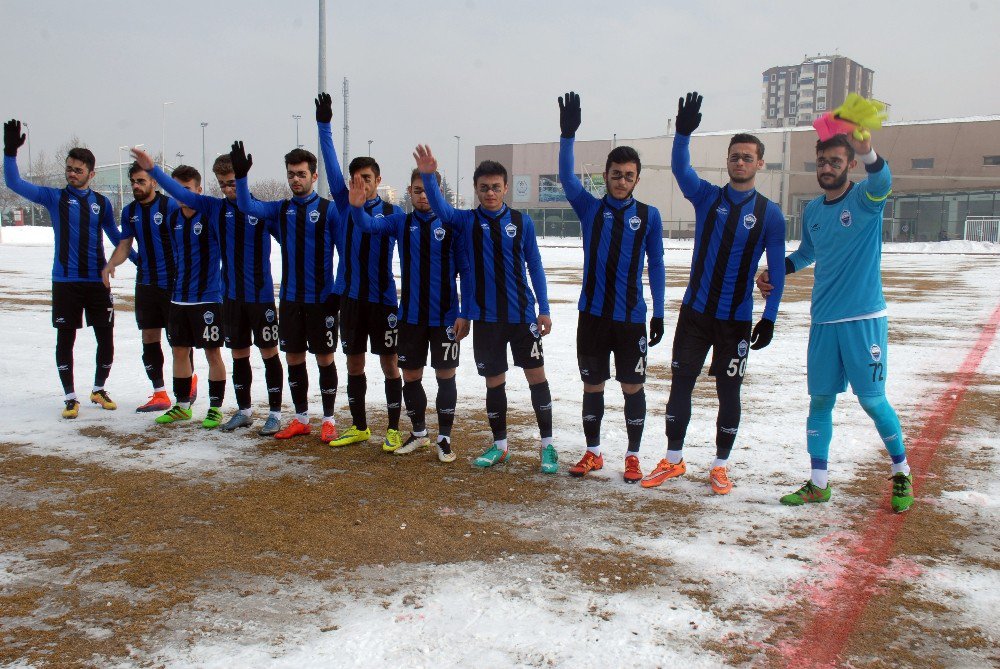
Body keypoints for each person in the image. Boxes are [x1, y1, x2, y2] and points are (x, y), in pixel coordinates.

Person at [757, 132, 913, 512]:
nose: (827, 169)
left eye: (836, 162)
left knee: (873, 401)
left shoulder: (865, 199)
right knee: (820, 401)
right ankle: (819, 483)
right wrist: (776, 270)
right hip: (824, 321)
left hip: (863, 319)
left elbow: (884, 180)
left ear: (850, 165)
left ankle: (902, 473)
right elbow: (808, 253)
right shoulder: (812, 211)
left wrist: (866, 146)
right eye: (822, 163)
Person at [641, 92, 787, 495]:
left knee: (729, 393)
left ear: (760, 163)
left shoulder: (771, 215)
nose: (740, 162)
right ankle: (673, 460)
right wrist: (682, 133)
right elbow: (679, 167)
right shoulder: (708, 197)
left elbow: (776, 273)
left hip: (735, 321)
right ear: (727, 161)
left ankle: (720, 466)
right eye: (734, 156)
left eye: (747, 157)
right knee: (680, 387)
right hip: (695, 316)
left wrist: (769, 317)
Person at [413, 144, 557, 473]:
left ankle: (548, 446)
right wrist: (428, 176)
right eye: (483, 187)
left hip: (522, 315)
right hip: (487, 320)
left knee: (537, 378)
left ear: (505, 188)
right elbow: (439, 207)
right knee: (494, 382)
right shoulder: (464, 222)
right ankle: (500, 445)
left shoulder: (522, 222)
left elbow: (535, 266)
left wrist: (544, 308)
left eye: (495, 187)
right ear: (476, 190)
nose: (490, 192)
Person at [127, 149, 285, 436]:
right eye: (223, 183)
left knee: (269, 353)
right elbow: (181, 193)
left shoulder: (262, 210)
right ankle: (245, 410)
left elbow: (290, 240)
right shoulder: (214, 209)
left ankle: (274, 413)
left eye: (233, 182)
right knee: (239, 354)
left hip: (261, 296)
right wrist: (153, 171)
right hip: (232, 297)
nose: (227, 189)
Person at [556, 91, 666, 483]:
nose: (622, 181)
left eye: (629, 176)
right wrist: (568, 135)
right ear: (606, 175)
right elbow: (567, 178)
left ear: (637, 178)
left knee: (633, 386)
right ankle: (594, 452)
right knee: (593, 385)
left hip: (630, 319)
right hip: (593, 316)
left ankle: (633, 456)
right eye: (615, 174)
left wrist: (659, 313)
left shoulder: (649, 217)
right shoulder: (590, 209)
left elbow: (657, 264)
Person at [3, 119, 127, 418]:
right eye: (69, 168)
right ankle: (70, 397)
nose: (72, 174)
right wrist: (9, 153)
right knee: (65, 339)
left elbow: (117, 238)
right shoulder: (54, 197)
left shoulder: (102, 203)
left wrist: (140, 260)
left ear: (91, 174)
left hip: (97, 282)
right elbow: (14, 184)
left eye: (78, 170)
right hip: (65, 281)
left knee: (105, 337)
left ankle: (99, 388)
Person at [346, 168, 469, 462]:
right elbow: (366, 225)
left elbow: (466, 271)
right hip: (410, 318)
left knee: (445, 377)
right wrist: (356, 205)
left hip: (445, 318)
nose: (423, 195)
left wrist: (465, 312)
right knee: (411, 377)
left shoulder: (452, 225)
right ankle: (418, 433)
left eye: (428, 190)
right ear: (410, 192)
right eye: (417, 190)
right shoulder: (401, 222)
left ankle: (445, 439)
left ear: (438, 192)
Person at [230, 140, 343, 443]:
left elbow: (345, 254)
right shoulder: (281, 210)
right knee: (294, 359)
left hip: (321, 300)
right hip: (291, 300)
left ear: (313, 177)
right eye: (291, 174)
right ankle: (302, 418)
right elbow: (246, 206)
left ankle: (329, 420)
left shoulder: (329, 211)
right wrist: (241, 178)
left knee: (325, 360)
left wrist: (338, 292)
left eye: (301, 174)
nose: (296, 179)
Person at [315, 93, 405, 451]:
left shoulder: (393, 212)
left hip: (382, 301)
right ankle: (360, 427)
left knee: (390, 365)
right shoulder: (341, 200)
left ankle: (395, 429)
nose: (359, 183)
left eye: (366, 178)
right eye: (355, 178)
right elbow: (331, 163)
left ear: (378, 179)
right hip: (351, 300)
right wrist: (325, 125)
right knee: (354, 364)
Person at [137, 165, 227, 429]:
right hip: (178, 298)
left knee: (213, 354)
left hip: (207, 298)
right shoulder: (173, 218)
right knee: (179, 351)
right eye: (175, 188)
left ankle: (215, 407)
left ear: (198, 190)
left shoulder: (210, 218)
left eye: (186, 189)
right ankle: (182, 405)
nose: (180, 194)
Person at [103, 162, 186, 413]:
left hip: (172, 282)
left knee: (178, 341)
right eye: (133, 182)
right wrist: (110, 265)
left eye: (141, 181)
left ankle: (186, 383)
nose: (136, 186)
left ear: (154, 182)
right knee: (149, 337)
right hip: (146, 282)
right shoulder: (129, 212)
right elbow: (125, 246)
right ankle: (160, 393)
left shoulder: (170, 206)